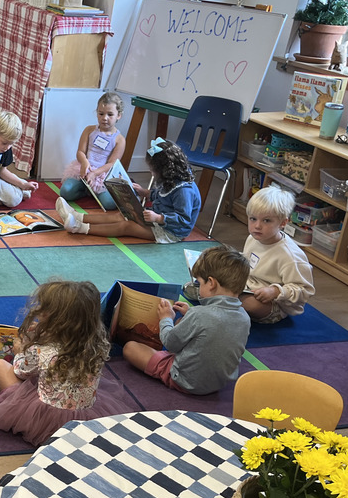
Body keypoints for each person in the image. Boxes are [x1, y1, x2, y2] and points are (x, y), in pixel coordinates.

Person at [0, 280, 132, 446]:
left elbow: (21, 372)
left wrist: (21, 351)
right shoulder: (97, 344)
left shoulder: (42, 349)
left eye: (44, 310)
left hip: (45, 419)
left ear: (55, 320)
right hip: (87, 416)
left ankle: (7, 395)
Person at [123, 246, 251, 395]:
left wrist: (166, 318)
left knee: (130, 348)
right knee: (184, 325)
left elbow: (169, 344)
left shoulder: (198, 315)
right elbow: (216, 325)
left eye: (199, 283)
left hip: (186, 381)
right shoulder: (244, 317)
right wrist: (190, 313)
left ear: (211, 283)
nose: (198, 287)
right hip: (220, 382)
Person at [54, 137, 201, 243]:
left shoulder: (184, 190)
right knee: (122, 214)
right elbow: (163, 195)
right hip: (158, 219)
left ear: (166, 170)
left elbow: (184, 219)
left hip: (171, 231)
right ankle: (78, 216)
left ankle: (79, 227)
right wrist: (145, 192)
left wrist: (159, 218)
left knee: (127, 226)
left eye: (153, 170)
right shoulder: (171, 179)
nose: (151, 173)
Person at [238, 185, 316, 322]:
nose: (257, 226)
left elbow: (305, 289)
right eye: (253, 219)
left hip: (274, 303)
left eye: (266, 220)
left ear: (283, 223)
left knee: (247, 303)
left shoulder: (290, 256)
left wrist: (275, 291)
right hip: (248, 287)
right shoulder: (253, 238)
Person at [59, 92, 126, 211]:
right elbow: (80, 152)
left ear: (119, 115)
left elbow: (112, 164)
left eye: (110, 114)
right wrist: (85, 163)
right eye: (101, 113)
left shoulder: (119, 140)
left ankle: (95, 192)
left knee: (109, 204)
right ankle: (86, 191)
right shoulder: (89, 130)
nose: (104, 118)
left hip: (102, 174)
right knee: (65, 192)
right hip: (83, 170)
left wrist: (95, 173)